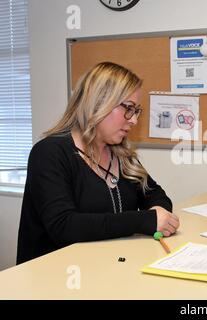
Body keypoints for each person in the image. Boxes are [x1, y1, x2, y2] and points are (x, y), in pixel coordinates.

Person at [17, 62, 179, 264]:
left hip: (105, 268)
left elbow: (155, 194)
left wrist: (157, 213)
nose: (134, 120)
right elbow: (64, 226)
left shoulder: (119, 153)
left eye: (137, 111)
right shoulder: (49, 153)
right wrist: (145, 220)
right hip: (55, 276)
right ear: (98, 103)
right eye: (128, 108)